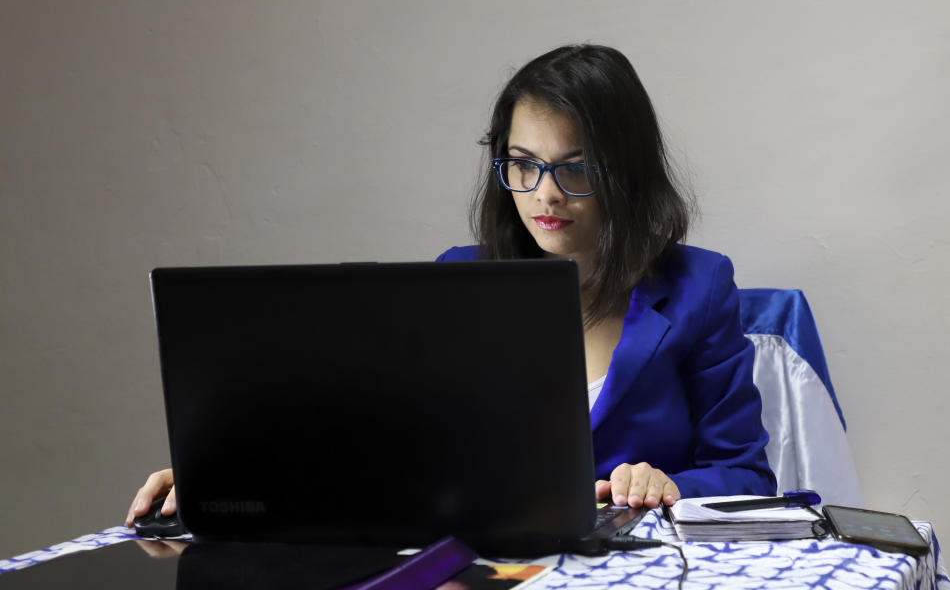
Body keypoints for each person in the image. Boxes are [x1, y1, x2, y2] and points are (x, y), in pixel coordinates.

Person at [125, 44, 776, 529]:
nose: (545, 194)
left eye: (576, 169)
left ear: (625, 170)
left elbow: (747, 473)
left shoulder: (699, 285)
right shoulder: (462, 278)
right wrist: (223, 477)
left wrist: (669, 485)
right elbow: (374, 445)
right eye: (523, 165)